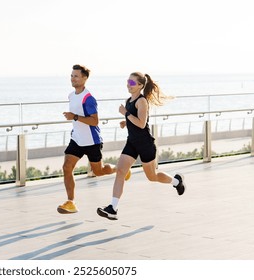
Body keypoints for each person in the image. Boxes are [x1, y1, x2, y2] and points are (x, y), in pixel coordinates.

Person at [97, 72, 186, 220]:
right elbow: (135, 121)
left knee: (152, 177)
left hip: (145, 144)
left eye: (132, 83)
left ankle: (177, 181)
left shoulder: (142, 101)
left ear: (140, 85)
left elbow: (141, 123)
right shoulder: (129, 101)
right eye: (127, 82)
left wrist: (125, 114)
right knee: (120, 171)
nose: (128, 85)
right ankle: (113, 208)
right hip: (132, 143)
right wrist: (126, 122)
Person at [57, 64, 130, 214]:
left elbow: (94, 121)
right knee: (66, 167)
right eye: (71, 75)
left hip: (92, 141)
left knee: (99, 171)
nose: (73, 78)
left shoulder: (88, 99)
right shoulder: (71, 95)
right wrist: (74, 120)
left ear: (84, 78)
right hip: (76, 139)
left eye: (76, 76)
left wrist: (75, 117)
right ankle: (71, 202)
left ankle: (120, 169)